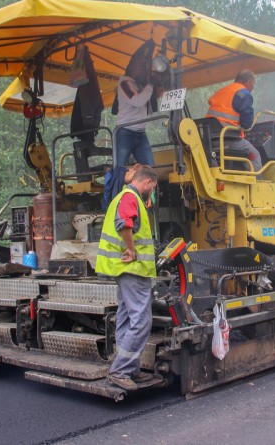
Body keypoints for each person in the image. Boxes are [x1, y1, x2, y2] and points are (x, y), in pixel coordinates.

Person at [95, 165, 159, 390]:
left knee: (126, 318)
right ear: (148, 182)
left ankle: (130, 369)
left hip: (123, 271)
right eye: (153, 188)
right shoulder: (130, 198)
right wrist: (131, 250)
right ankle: (120, 370)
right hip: (133, 269)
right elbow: (124, 224)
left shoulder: (123, 196)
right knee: (141, 321)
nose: (152, 192)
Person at [205, 68, 262, 171]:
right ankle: (254, 185)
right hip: (227, 139)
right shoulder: (244, 94)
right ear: (248, 82)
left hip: (209, 140)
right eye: (253, 85)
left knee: (227, 162)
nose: (252, 88)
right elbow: (247, 124)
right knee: (255, 156)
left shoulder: (222, 91)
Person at [115, 58, 160, 168]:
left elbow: (147, 106)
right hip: (125, 132)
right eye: (141, 66)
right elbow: (137, 102)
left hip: (141, 133)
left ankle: (152, 185)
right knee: (119, 169)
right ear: (133, 67)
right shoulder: (124, 83)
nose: (143, 70)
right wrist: (150, 85)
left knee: (150, 168)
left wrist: (156, 90)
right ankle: (115, 185)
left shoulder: (139, 85)